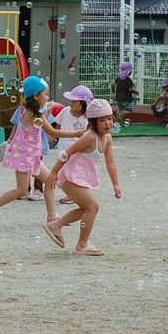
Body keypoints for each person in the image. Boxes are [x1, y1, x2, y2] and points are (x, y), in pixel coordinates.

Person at [0, 76, 83, 229]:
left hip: (31, 156)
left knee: (51, 182)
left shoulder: (27, 110)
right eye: (45, 94)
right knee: (21, 190)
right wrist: (77, 133)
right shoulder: (34, 114)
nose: (47, 97)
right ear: (36, 96)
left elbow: (38, 124)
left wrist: (46, 111)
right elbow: (53, 131)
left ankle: (52, 216)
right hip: (25, 157)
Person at [44, 99, 121, 256]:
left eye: (109, 118)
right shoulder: (90, 137)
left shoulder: (107, 138)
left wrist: (116, 184)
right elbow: (67, 152)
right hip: (69, 175)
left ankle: (55, 225)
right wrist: (53, 173)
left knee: (86, 208)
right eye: (102, 120)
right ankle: (82, 245)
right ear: (92, 122)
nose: (107, 123)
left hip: (79, 177)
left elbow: (111, 163)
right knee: (93, 206)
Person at [54, 85, 93, 204]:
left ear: (83, 103)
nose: (71, 102)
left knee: (75, 174)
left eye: (74, 101)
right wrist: (54, 137)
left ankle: (73, 195)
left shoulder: (89, 117)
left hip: (79, 151)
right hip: (64, 149)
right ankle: (73, 193)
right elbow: (57, 126)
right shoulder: (65, 111)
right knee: (63, 174)